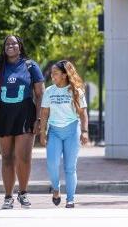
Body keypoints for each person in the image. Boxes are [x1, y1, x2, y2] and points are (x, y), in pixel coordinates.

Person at [0, 35, 45, 209]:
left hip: (25, 113)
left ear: (20, 46)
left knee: (23, 157)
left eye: (14, 43)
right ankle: (8, 196)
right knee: (7, 157)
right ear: (4, 47)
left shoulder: (31, 66)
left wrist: (39, 119)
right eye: (7, 43)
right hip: (2, 114)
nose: (10, 46)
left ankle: (23, 193)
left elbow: (40, 94)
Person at [39, 60, 89, 209]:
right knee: (52, 164)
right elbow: (44, 112)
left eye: (55, 73)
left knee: (70, 167)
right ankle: (56, 188)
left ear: (64, 75)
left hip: (72, 131)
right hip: (54, 131)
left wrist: (85, 131)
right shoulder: (49, 91)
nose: (52, 75)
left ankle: (70, 199)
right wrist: (43, 132)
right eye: (52, 73)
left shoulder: (76, 91)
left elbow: (83, 113)